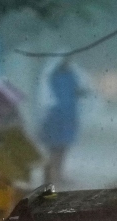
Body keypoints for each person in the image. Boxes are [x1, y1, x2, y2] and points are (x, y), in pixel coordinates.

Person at [39, 57, 86, 185]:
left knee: (62, 147)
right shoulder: (53, 76)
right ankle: (52, 175)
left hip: (66, 115)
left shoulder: (70, 75)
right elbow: (49, 96)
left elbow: (76, 90)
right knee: (55, 148)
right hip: (56, 115)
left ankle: (58, 174)